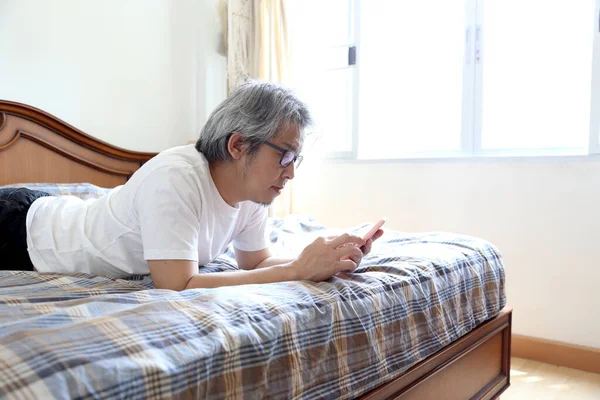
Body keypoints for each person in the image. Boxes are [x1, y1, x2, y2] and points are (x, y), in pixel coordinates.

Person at [0, 80, 383, 290]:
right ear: (238, 145)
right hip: (21, 231)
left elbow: (257, 261)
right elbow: (178, 284)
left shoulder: (253, 192)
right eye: (285, 156)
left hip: (49, 211)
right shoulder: (175, 178)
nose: (291, 172)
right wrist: (296, 271)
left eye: (295, 159)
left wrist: (331, 256)